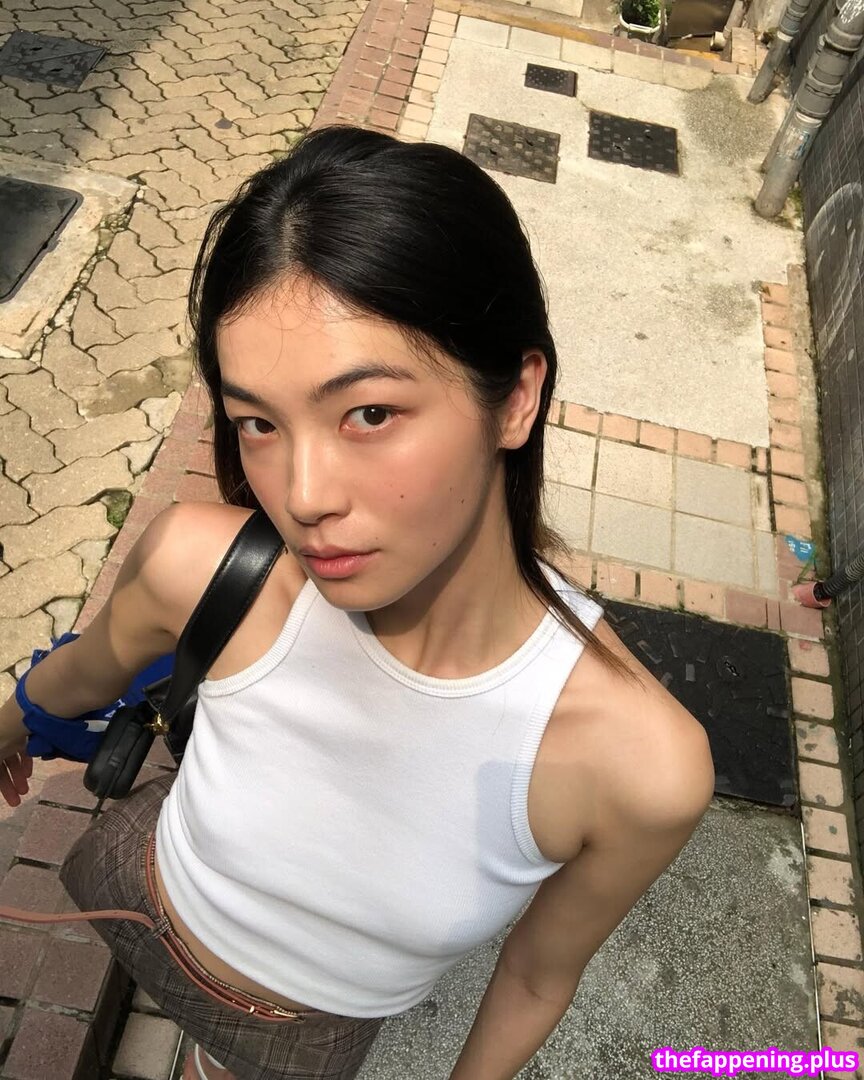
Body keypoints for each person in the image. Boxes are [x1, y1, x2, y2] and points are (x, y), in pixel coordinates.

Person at [0, 124, 715, 1080]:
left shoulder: (639, 765)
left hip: (298, 1036)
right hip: (131, 891)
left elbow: (537, 975)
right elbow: (76, 676)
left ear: (515, 399)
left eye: (369, 413)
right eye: (258, 422)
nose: (302, 497)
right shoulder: (197, 564)